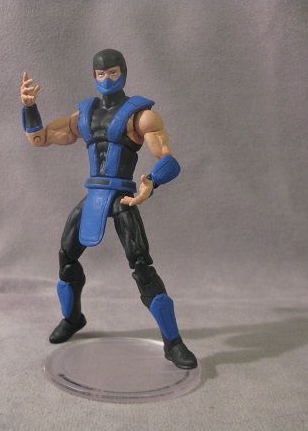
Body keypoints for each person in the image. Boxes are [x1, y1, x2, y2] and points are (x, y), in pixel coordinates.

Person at [20, 49, 197, 369]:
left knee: (142, 267)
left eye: (112, 72)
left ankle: (173, 343)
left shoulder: (141, 116)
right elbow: (40, 138)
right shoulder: (84, 115)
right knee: (66, 257)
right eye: (100, 74)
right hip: (94, 195)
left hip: (123, 197)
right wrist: (30, 108)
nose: (106, 79)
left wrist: (152, 181)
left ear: (123, 73)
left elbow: (169, 159)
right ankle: (73, 319)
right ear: (93, 76)